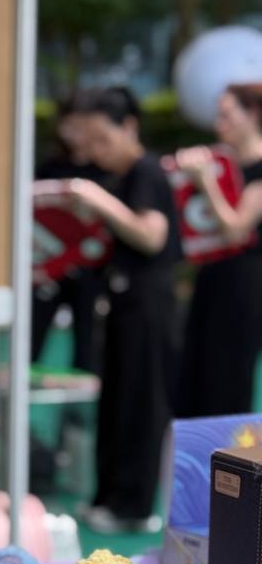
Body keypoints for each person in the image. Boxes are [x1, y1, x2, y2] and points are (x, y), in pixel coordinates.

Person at [64, 87, 181, 535]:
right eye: (89, 141)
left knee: (141, 402)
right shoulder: (120, 176)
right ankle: (110, 497)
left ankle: (134, 506)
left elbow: (151, 235)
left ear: (130, 128)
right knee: (115, 399)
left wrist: (98, 201)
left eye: (103, 139)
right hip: (121, 303)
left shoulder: (147, 171)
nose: (95, 151)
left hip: (149, 304)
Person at [174, 84, 262, 417]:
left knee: (229, 377)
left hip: (244, 283)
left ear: (252, 114)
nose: (219, 124)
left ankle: (231, 451)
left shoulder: (256, 169)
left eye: (227, 115)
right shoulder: (221, 163)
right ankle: (197, 451)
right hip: (210, 276)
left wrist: (206, 181)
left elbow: (236, 229)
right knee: (196, 374)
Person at [31, 90, 109, 372]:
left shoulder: (105, 169)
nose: (74, 134)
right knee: (31, 339)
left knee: (88, 344)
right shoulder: (51, 167)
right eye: (68, 126)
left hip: (89, 269)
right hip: (49, 268)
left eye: (80, 126)